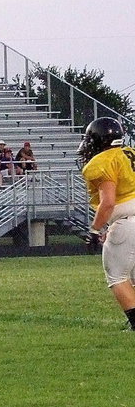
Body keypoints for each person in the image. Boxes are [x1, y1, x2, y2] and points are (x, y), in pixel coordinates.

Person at [79, 117, 135, 331]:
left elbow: (108, 202)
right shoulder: (130, 153)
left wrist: (94, 230)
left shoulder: (102, 162)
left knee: (117, 275)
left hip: (127, 222)